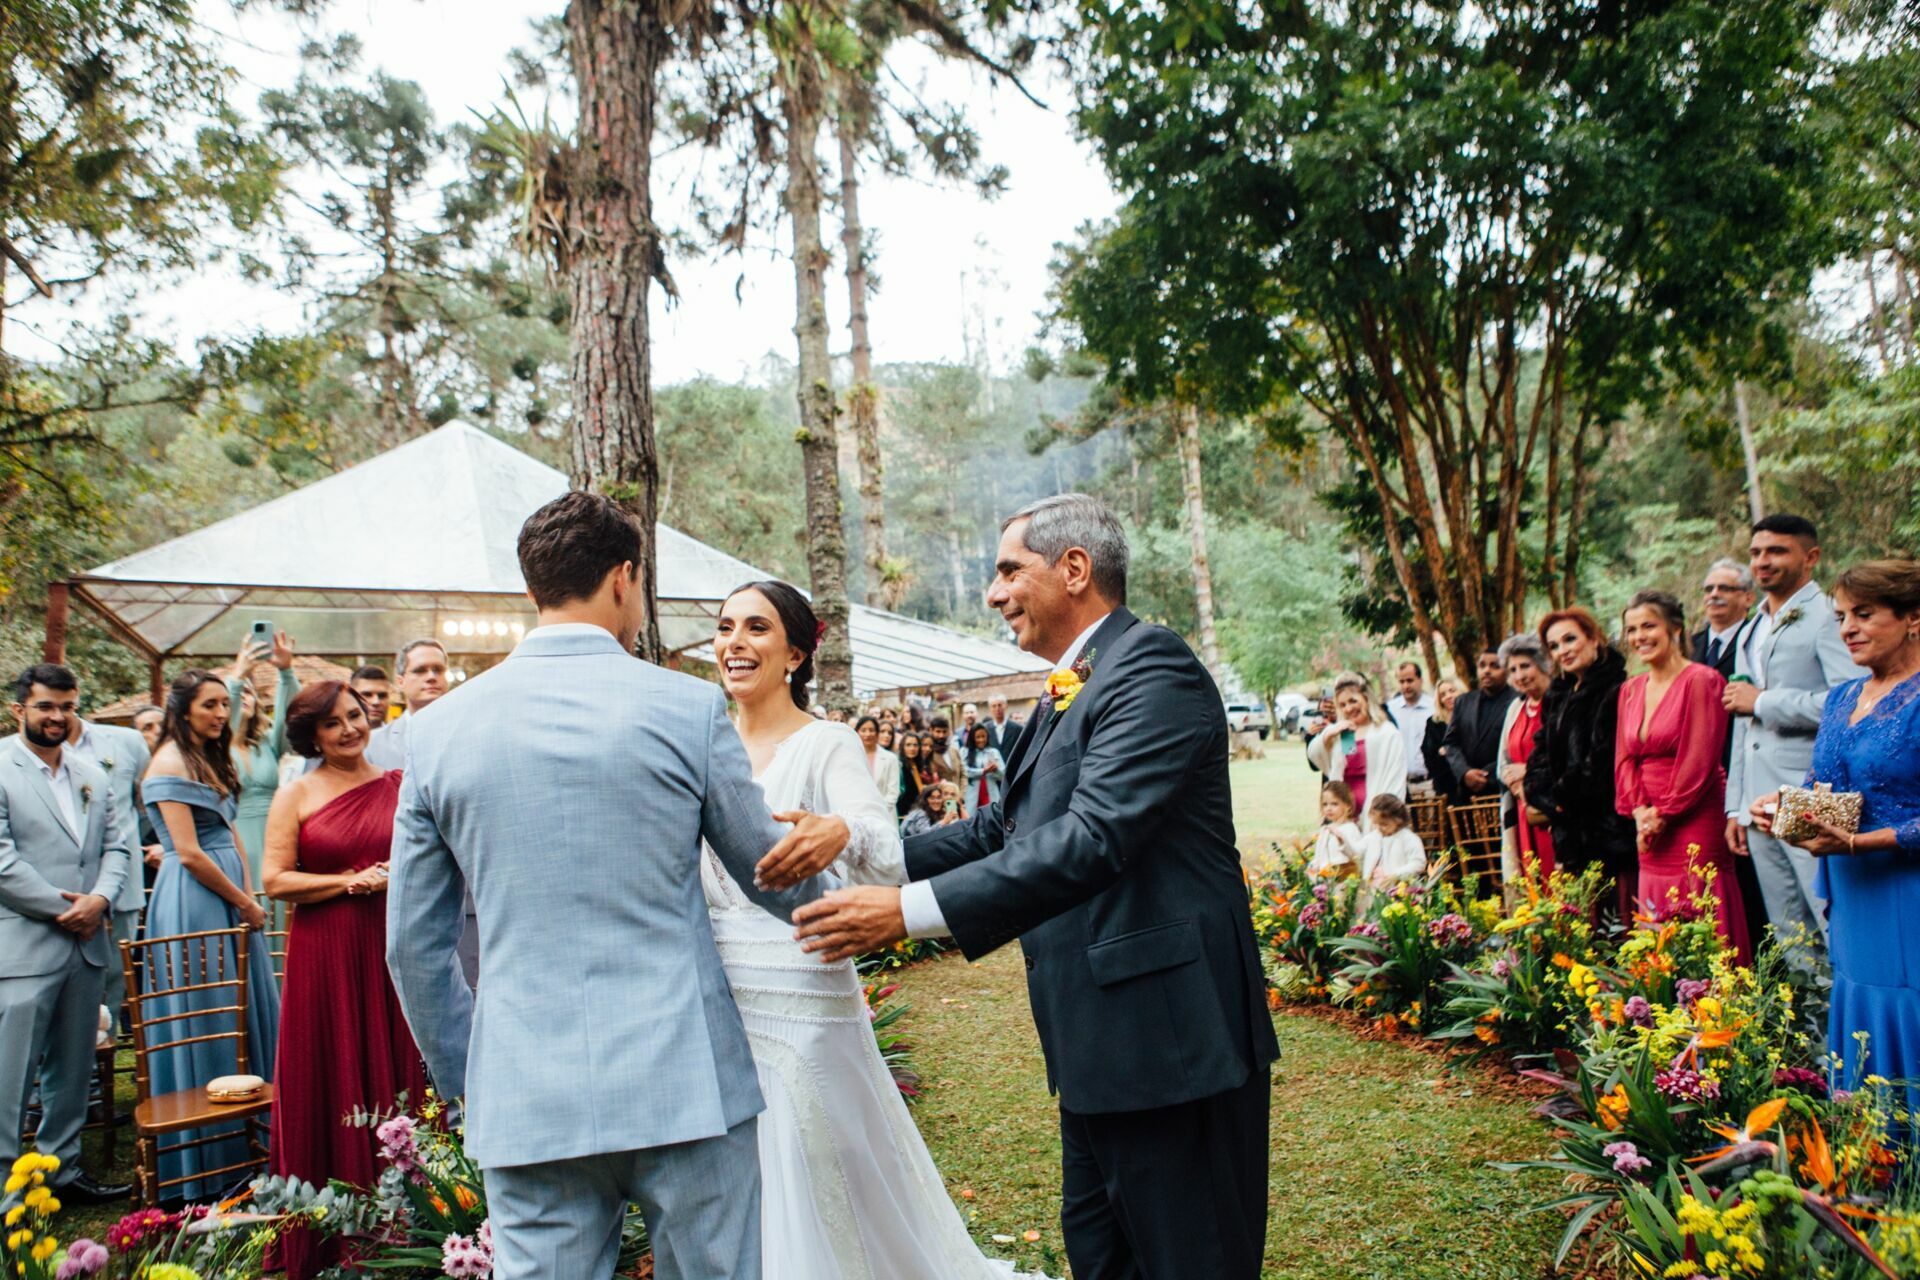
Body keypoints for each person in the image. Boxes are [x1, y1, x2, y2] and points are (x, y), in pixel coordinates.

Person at [791, 493, 1278, 1280]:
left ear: (1075, 569)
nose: (993, 593)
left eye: (1010, 570)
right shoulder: (1069, 682)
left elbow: (1093, 837)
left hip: (1173, 1045)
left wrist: (906, 915)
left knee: (1189, 1259)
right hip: (1097, 1048)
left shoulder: (1152, 668)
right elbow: (1001, 829)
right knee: (1101, 1255)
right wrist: (863, 849)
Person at [386, 491, 841, 1280]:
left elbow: (412, 947)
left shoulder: (434, 734)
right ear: (626, 578)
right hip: (685, 1076)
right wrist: (840, 890)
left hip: (526, 1091)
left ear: (534, 590)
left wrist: (471, 1078)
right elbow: (771, 876)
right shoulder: (687, 708)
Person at [707, 579, 1031, 1279]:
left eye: (756, 629)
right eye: (726, 627)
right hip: (720, 991)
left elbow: (884, 847)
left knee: (815, 1152)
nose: (735, 642)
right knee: (746, 1169)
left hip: (805, 973)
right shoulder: (701, 745)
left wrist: (839, 828)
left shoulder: (825, 744)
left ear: (794, 653)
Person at [262, 682, 429, 1280]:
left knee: (394, 1067)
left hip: (387, 947)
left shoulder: (400, 784)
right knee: (328, 1072)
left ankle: (409, 1227)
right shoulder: (296, 793)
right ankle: (329, 1234)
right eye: (333, 724)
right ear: (312, 736)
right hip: (325, 950)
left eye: (355, 716)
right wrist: (349, 882)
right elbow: (276, 879)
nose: (350, 729)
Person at [1750, 560, 1920, 1121]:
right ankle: (1866, 1157)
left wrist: (1860, 844)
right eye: (1843, 615)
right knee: (1859, 1007)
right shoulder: (1844, 696)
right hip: (1850, 891)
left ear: (1913, 617)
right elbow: (1826, 788)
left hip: (1906, 891)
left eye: (1864, 614)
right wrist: (1785, 808)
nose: (1847, 627)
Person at [142, 668, 281, 1201]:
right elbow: (191, 852)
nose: (222, 714)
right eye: (210, 705)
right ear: (181, 708)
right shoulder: (169, 763)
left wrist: (249, 888)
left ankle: (256, 1144)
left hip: (231, 893)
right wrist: (242, 899)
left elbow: (225, 831)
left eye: (225, 704)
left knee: (244, 1009)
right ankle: (209, 1156)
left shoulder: (209, 756)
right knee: (211, 1012)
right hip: (195, 901)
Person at [1, 665, 136, 1206]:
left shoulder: (90, 774)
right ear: (19, 710)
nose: (57, 716)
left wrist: (100, 899)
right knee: (12, 1077)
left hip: (86, 947)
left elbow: (117, 847)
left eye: (67, 706)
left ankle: (62, 1171)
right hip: (25, 945)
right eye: (45, 706)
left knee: (73, 1071)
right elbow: (2, 860)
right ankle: (10, 1196)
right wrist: (64, 909)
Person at [1725, 515, 1864, 959]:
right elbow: (1742, 721)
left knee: (1828, 922)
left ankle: (1847, 1027)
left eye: (1776, 551)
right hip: (1759, 802)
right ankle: (1808, 1027)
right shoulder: (1751, 626)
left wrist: (1766, 701)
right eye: (1756, 553)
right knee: (1790, 935)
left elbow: (1850, 701)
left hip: (1810, 793)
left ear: (1811, 557)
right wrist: (1735, 805)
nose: (1762, 562)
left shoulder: (1828, 617)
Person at [1615, 591, 1750, 962]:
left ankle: (1720, 1006)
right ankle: (1667, 1004)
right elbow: (1625, 759)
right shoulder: (1630, 690)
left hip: (1695, 815)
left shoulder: (1702, 680)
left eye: (1648, 625)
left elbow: (1701, 758)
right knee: (1657, 915)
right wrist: (1639, 811)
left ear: (1675, 629)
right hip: (1649, 823)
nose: (1639, 636)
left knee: (1702, 904)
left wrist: (1663, 814)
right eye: (1631, 629)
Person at [1530, 608, 1636, 923]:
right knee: (1585, 932)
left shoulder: (1615, 688)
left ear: (1594, 638)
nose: (1564, 650)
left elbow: (1602, 761)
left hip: (1609, 828)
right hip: (1571, 832)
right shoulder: (1558, 693)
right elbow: (1539, 757)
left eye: (1570, 639)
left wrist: (1559, 801)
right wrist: (1543, 794)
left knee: (1618, 925)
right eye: (1555, 645)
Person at [62, 694, 150, 1033]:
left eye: (65, 704)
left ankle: (104, 1059)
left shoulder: (127, 741)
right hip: (64, 889)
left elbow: (147, 801)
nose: (58, 713)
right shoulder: (17, 754)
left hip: (122, 882)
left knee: (116, 973)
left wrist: (139, 844)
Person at [227, 630, 300, 898]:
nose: (244, 696)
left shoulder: (267, 743)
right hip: (234, 840)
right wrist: (238, 674)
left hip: (274, 838)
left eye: (249, 691)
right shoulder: (215, 750)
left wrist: (286, 672)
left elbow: (291, 721)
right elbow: (226, 725)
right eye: (238, 692)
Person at [1305, 672, 1408, 823]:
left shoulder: (1387, 732)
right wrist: (1328, 734)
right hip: (1344, 814)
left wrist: (1384, 814)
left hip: (1376, 813)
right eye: (1342, 705)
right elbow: (1317, 757)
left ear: (1366, 699)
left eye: (1353, 701)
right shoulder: (1343, 734)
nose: (1348, 708)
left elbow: (1395, 776)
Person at [1494, 633, 1556, 884]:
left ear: (1543, 664)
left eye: (1525, 666)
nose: (1519, 675)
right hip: (1522, 807)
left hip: (1551, 805)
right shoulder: (1515, 708)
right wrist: (1518, 786)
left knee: (1558, 880)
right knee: (1530, 880)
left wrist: (1529, 772)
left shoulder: (1559, 703)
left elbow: (1566, 757)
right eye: (1513, 669)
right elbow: (1503, 762)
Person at [1444, 649, 1517, 801]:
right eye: (1482, 666)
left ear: (1507, 670)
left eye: (1494, 666)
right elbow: (1450, 743)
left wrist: (1486, 775)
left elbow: (1516, 746)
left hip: (1504, 789)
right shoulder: (1463, 701)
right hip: (1467, 791)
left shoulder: (1518, 700)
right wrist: (1464, 772)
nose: (1487, 671)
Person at [365, 639, 449, 770]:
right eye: (420, 670)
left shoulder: (469, 734)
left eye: (438, 670)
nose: (431, 676)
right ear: (400, 682)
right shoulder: (373, 744)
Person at [1358, 793, 1426, 910]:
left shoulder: (1408, 838)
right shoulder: (1373, 836)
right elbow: (1357, 851)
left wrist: (1396, 874)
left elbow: (1419, 863)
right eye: (1376, 824)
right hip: (1374, 890)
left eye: (1384, 824)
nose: (1379, 828)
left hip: (1400, 889)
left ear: (1398, 820)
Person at [1693, 559, 1754, 680]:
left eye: (1724, 588)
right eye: (1709, 589)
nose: (1714, 594)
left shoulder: (1757, 641)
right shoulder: (1688, 646)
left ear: (1748, 598)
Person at [1385, 661, 1435, 791]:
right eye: (1401, 682)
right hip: (1400, 786)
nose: (1406, 686)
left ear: (1420, 680)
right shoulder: (1390, 710)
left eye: (1410, 680)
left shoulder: (1433, 708)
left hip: (1430, 783)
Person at [1421, 679, 1467, 804]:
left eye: (1452, 691)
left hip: (1471, 783)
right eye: (1443, 694)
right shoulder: (1434, 723)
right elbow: (1428, 754)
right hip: (1446, 786)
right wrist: (1440, 753)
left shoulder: (1473, 716)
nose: (1448, 696)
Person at [1309, 780, 1364, 877]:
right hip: (1324, 882)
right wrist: (1313, 867)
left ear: (1347, 806)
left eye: (1334, 804)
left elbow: (1355, 856)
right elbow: (1319, 856)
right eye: (1325, 804)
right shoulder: (1325, 829)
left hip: (1342, 882)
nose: (1328, 808)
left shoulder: (1350, 829)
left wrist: (1342, 841)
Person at [854, 714, 901, 804]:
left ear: (877, 733)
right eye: (863, 730)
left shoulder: (890, 758)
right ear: (857, 732)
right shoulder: (852, 756)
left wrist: (878, 811)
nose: (867, 734)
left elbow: (893, 792)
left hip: (884, 811)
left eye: (871, 730)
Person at [962, 722, 1005, 811]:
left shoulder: (994, 752)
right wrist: (984, 771)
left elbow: (1003, 776)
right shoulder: (964, 751)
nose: (981, 740)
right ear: (972, 738)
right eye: (978, 737)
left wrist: (996, 770)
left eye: (983, 736)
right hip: (971, 796)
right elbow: (964, 772)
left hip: (991, 795)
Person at [897, 731, 932, 819]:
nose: (912, 748)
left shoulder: (915, 765)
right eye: (908, 745)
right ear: (902, 747)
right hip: (904, 814)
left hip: (915, 811)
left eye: (915, 745)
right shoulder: (899, 766)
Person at [924, 715, 964, 788]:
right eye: (938, 731)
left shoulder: (954, 750)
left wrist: (960, 795)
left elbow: (963, 775)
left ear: (948, 731)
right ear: (931, 731)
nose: (941, 735)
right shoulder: (928, 753)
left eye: (944, 732)